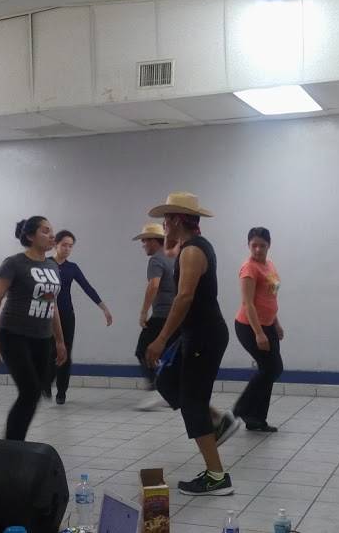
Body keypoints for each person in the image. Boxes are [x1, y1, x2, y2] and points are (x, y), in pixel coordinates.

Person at [144, 192, 237, 496]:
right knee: (167, 382)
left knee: (192, 403)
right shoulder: (189, 247)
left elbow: (184, 297)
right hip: (196, 334)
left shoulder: (193, 251)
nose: (163, 225)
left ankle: (216, 477)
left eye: (166, 219)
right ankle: (217, 420)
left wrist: (160, 339)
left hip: (204, 336)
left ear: (177, 220)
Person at [0, 216, 68, 441]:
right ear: (30, 236)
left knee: (36, 391)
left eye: (52, 231)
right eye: (45, 231)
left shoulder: (52, 266)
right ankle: (12, 444)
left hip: (42, 337)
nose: (52, 235)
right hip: (13, 335)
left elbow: (52, 304)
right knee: (30, 391)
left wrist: (60, 341)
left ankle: (14, 441)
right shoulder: (14, 263)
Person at [48, 230, 112, 404]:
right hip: (47, 315)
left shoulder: (72, 268)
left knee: (65, 353)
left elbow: (87, 288)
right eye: (64, 245)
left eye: (70, 246)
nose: (67, 249)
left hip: (67, 315)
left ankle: (61, 392)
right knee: (49, 351)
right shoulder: (45, 264)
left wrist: (104, 309)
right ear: (55, 245)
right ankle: (45, 383)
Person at [232, 227, 284, 432]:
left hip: (268, 324)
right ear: (248, 245)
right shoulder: (249, 268)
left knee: (270, 370)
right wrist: (259, 333)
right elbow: (248, 304)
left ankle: (256, 420)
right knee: (272, 368)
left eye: (262, 245)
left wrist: (276, 323)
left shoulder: (269, 265)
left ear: (269, 245)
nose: (258, 249)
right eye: (254, 245)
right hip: (249, 326)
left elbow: (270, 297)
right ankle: (241, 408)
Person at [132, 222, 179, 411]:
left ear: (154, 241)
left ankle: (155, 390)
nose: (143, 245)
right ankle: (169, 392)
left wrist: (144, 312)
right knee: (168, 355)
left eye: (145, 241)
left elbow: (153, 285)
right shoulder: (173, 257)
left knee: (143, 350)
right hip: (177, 315)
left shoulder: (156, 260)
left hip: (162, 315)